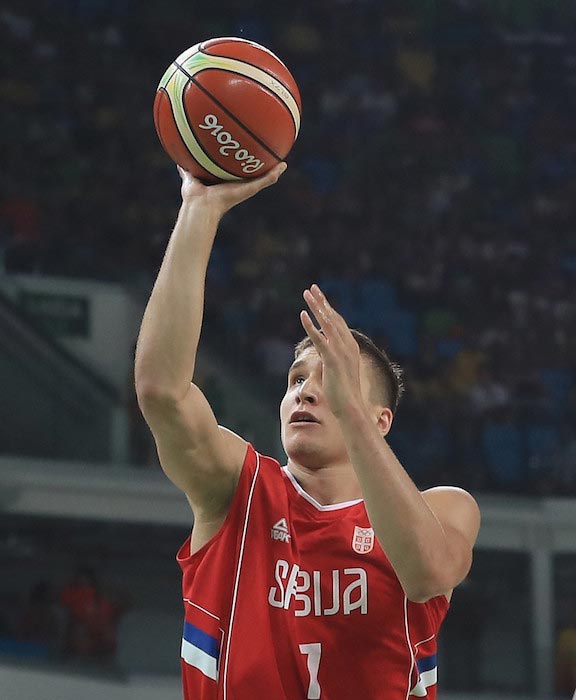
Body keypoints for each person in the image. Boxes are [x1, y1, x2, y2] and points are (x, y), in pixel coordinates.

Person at [134, 163, 481, 699]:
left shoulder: (445, 510)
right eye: (297, 379)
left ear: (380, 419)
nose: (307, 391)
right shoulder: (237, 491)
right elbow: (161, 389)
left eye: (332, 381)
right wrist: (198, 211)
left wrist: (351, 416)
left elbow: (427, 573)